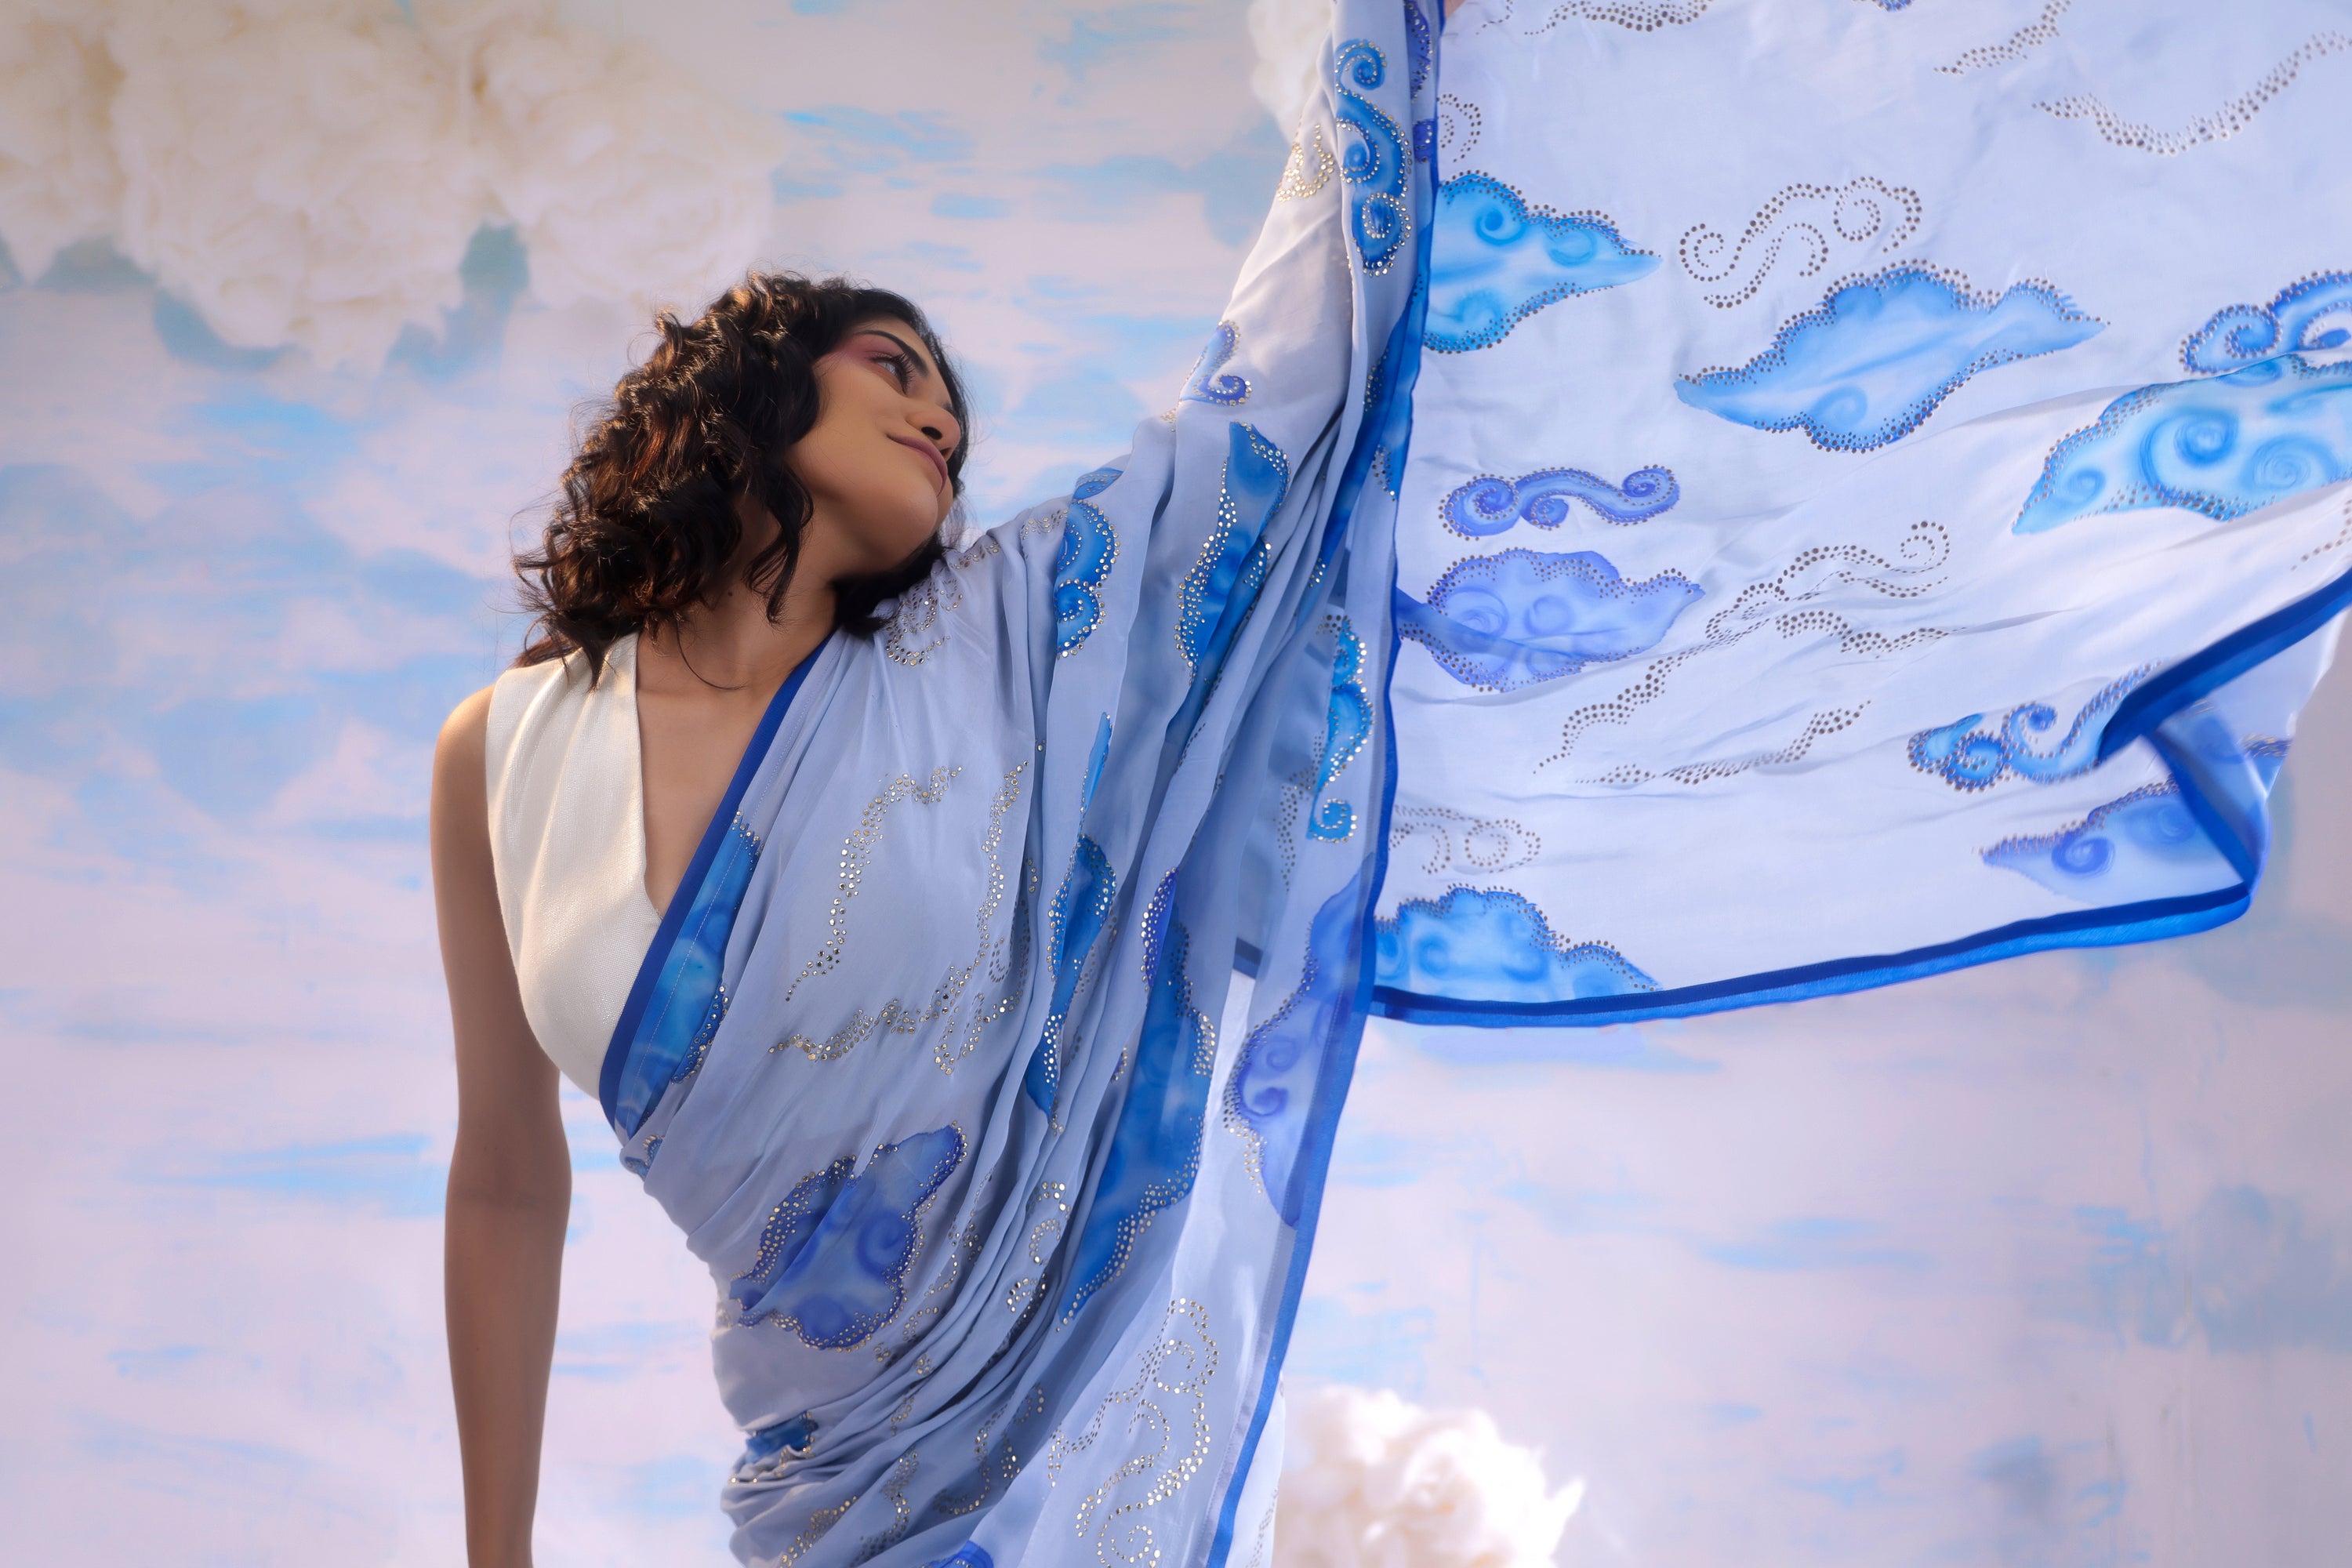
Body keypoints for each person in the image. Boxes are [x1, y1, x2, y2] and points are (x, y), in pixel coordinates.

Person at [433, 1, 2351, 1564]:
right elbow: (510, 1181)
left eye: (951, 388)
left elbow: (1267, 410)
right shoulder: (501, 755)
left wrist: (1398, 51)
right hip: (820, 1478)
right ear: (752, 387)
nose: (942, 407)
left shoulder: (1006, 642)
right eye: (890, 364)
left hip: (1049, 1419)